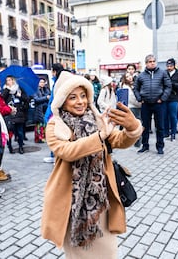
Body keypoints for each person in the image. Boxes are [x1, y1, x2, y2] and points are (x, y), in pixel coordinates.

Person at [41, 71, 142, 258]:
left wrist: (132, 127)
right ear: (62, 100)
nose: (80, 101)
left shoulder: (96, 120)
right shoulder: (55, 126)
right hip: (72, 205)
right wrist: (100, 136)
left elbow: (119, 140)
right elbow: (68, 152)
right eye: (72, 97)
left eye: (83, 95)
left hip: (101, 201)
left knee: (109, 253)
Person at [133, 54, 171, 154]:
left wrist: (162, 98)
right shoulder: (141, 76)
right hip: (146, 104)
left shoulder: (162, 73)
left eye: (154, 61)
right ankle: (145, 145)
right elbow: (135, 88)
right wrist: (139, 98)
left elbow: (168, 87)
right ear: (146, 63)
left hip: (159, 104)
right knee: (145, 126)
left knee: (160, 126)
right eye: (150, 61)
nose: (152, 63)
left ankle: (160, 147)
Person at [43, 63, 64, 163]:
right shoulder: (60, 82)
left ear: (55, 72)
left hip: (54, 114)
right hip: (55, 113)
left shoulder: (58, 83)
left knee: (54, 135)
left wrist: (48, 115)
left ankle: (55, 156)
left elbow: (53, 101)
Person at [1, 75, 29, 154]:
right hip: (9, 114)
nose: (8, 82)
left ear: (13, 80)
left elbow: (26, 99)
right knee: (9, 132)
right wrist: (7, 90)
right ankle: (10, 146)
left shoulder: (19, 89)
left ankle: (21, 147)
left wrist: (19, 96)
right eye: (7, 80)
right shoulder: (5, 90)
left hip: (19, 113)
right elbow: (2, 99)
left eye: (10, 80)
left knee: (20, 132)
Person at [119, 67, 142, 147]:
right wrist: (140, 104)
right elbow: (132, 98)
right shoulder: (126, 86)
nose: (130, 77)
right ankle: (137, 142)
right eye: (127, 76)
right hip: (133, 107)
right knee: (136, 125)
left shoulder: (130, 85)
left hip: (130, 107)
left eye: (130, 76)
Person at [164, 58, 178, 141]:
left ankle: (173, 133)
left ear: (174, 66)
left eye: (171, 66)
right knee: (165, 116)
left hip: (174, 97)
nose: (169, 67)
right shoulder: (164, 73)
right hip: (165, 97)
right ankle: (166, 133)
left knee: (173, 116)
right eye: (168, 66)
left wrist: (172, 84)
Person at [33, 78, 50, 143]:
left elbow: (49, 95)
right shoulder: (35, 90)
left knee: (44, 124)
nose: (42, 83)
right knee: (39, 124)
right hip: (39, 109)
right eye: (40, 82)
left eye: (43, 82)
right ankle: (39, 138)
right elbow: (36, 99)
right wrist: (46, 97)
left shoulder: (46, 89)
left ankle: (42, 136)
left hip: (45, 109)